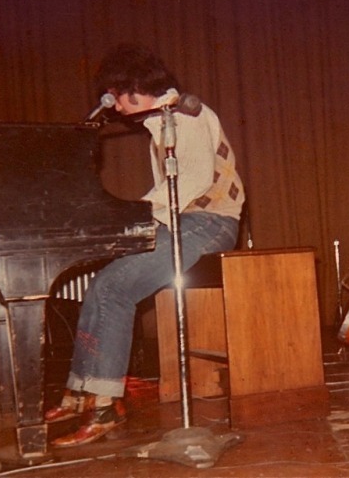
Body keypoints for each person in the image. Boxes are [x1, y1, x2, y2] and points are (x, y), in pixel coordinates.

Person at [45, 43, 245, 447]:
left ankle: (104, 406)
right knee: (106, 282)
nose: (115, 107)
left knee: (116, 286)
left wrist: (131, 216)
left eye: (116, 96)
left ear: (133, 88)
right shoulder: (161, 124)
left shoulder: (187, 117)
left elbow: (191, 183)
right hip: (187, 221)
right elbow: (168, 195)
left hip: (211, 223)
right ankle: (82, 391)